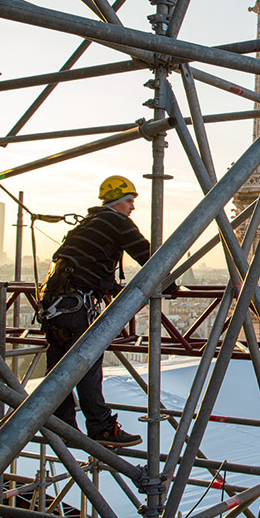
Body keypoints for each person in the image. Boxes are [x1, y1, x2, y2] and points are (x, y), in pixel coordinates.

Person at [38, 175, 150, 447]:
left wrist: (111, 286)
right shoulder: (117, 222)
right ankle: (102, 428)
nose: (132, 207)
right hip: (74, 307)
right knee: (87, 366)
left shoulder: (89, 223)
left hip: (54, 305)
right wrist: (167, 285)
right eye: (129, 201)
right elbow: (150, 256)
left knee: (58, 368)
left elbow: (86, 266)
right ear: (118, 202)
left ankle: (62, 426)